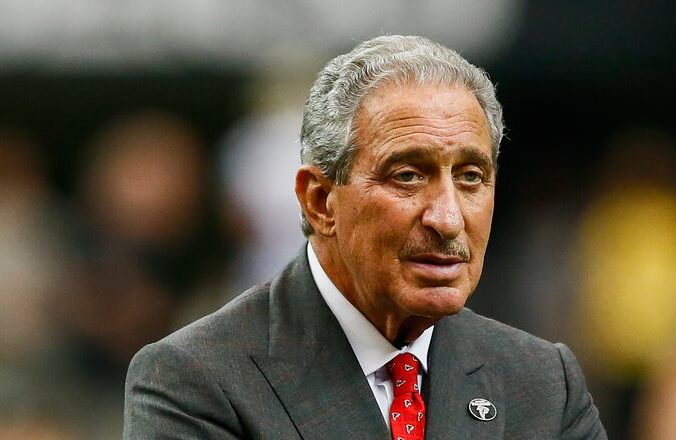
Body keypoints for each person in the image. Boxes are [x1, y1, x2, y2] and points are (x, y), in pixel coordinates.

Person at [123, 35, 606, 439]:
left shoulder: (543, 384)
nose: (448, 218)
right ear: (319, 200)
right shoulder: (194, 382)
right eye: (407, 176)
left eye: (471, 177)